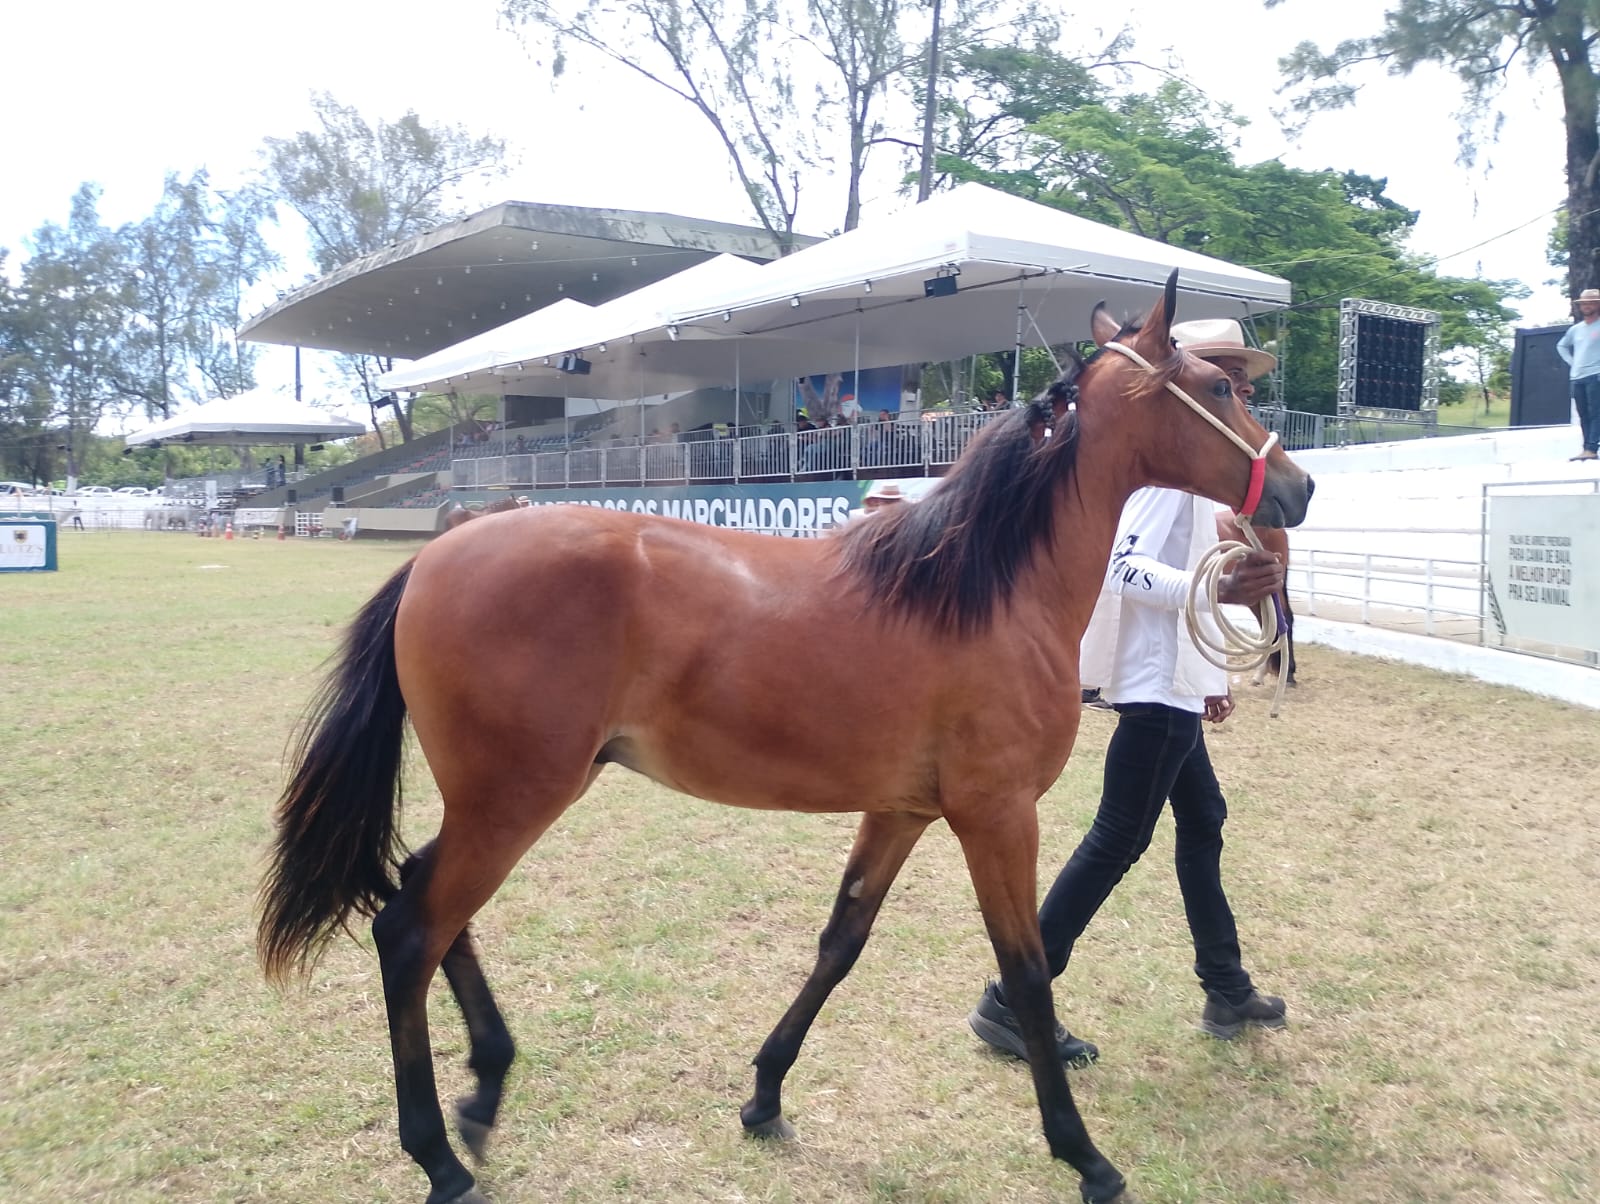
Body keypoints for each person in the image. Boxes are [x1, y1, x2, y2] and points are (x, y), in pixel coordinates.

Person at [968, 316, 1288, 1064]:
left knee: (1202, 819)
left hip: (1175, 680)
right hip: (1154, 683)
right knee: (1118, 837)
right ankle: (1010, 1001)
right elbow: (1125, 567)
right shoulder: (1176, 467)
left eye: (1241, 376)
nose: (1238, 386)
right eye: (1222, 372)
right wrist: (1213, 593)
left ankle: (1225, 983)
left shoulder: (1209, 466)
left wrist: (1208, 673)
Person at [1556, 287, 1600, 461]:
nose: (1587, 306)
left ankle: (1591, 448)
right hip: (1577, 377)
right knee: (1583, 414)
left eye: (1591, 303)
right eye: (1584, 303)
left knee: (1596, 412)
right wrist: (1571, 362)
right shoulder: (1576, 329)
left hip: (1596, 374)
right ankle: (1587, 448)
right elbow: (1561, 345)